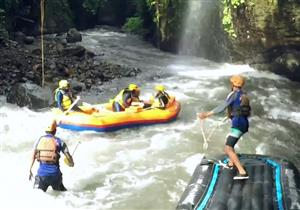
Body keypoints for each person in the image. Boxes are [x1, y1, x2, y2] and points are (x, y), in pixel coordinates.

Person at [198, 75, 251, 180]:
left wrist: (206, 114)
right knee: (230, 142)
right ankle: (231, 163)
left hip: (238, 125)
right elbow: (238, 109)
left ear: (233, 84)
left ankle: (242, 172)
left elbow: (222, 106)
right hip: (243, 123)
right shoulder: (243, 95)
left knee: (227, 148)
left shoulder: (233, 95)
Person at [29, 120, 74, 192]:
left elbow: (33, 156)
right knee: (62, 194)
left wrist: (30, 170)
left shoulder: (39, 140)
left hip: (41, 175)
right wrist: (71, 163)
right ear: (55, 131)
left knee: (36, 196)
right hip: (55, 175)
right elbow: (69, 159)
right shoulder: (60, 142)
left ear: (46, 131)